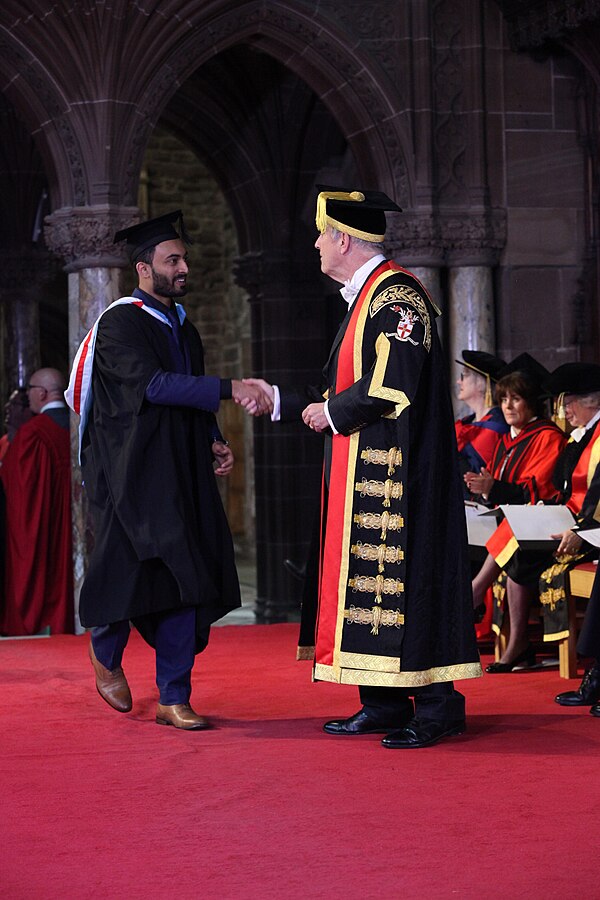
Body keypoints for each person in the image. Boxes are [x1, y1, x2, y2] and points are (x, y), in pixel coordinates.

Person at [246, 186, 482, 749]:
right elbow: (343, 386)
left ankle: (437, 706)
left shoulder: (397, 298)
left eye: (322, 234)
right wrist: (282, 399)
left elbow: (391, 386)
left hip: (405, 476)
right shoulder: (367, 298)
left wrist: (329, 411)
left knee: (415, 582)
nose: (316, 245)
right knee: (374, 594)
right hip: (370, 472)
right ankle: (381, 700)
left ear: (344, 239)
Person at [65, 210, 271, 730]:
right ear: (142, 268)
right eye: (171, 259)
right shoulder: (120, 324)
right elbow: (153, 387)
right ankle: (105, 653)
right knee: (128, 576)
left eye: (183, 258)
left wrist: (214, 437)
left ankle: (173, 695)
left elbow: (188, 396)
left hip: (181, 473)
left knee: (188, 579)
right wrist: (231, 388)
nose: (183, 267)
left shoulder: (185, 327)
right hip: (130, 474)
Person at [465, 354, 567, 672]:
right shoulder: (510, 439)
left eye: (516, 398)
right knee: (461, 531)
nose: (508, 406)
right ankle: (475, 613)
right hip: (511, 525)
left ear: (532, 403)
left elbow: (539, 491)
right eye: (504, 399)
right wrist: (485, 489)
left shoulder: (547, 437)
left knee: (516, 558)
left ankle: (475, 595)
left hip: (545, 524)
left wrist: (493, 488)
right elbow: (502, 484)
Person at [0, 368, 73, 636]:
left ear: (41, 393)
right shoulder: (79, 426)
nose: (26, 397)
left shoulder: (32, 434)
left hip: (44, 522)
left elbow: (16, 484)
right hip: (73, 521)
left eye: (28, 389)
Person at [455, 349, 508, 489]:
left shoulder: (496, 426)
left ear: (481, 383)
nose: (459, 381)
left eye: (464, 376)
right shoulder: (467, 421)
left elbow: (471, 474)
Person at [0, 387, 33, 463]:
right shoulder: (3, 442)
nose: (7, 407)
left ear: (27, 411)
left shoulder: (33, 444)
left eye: (13, 404)